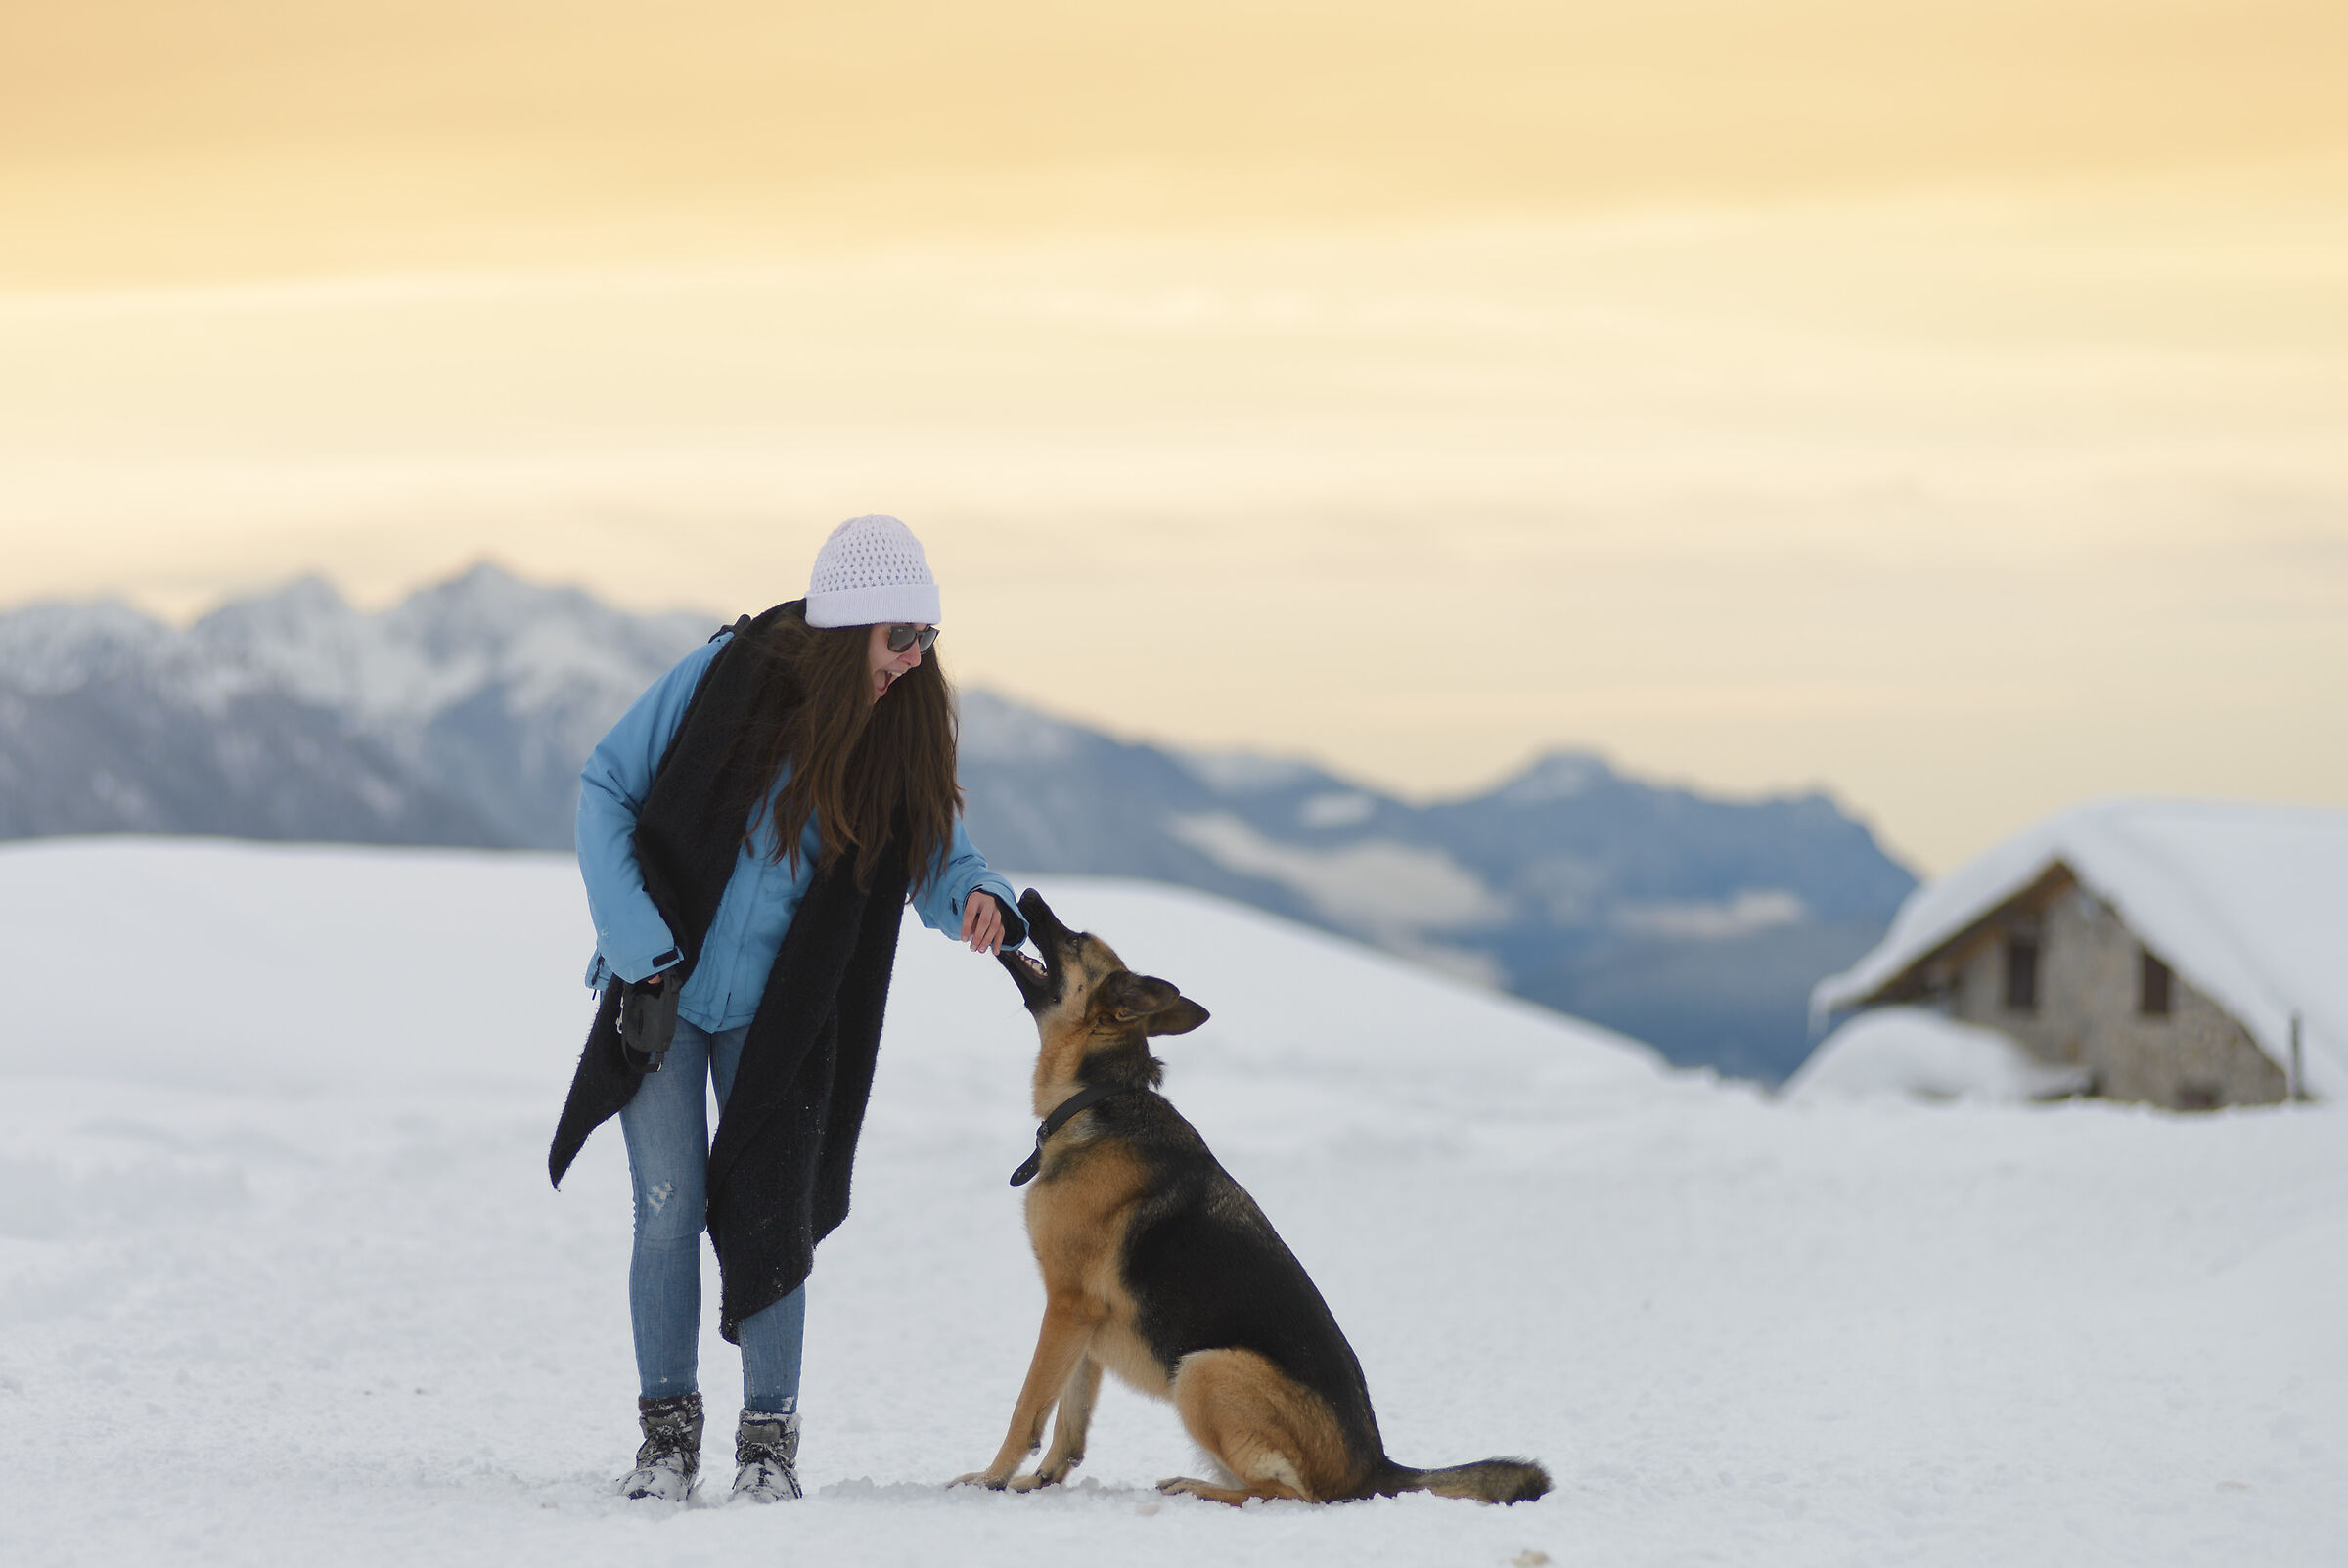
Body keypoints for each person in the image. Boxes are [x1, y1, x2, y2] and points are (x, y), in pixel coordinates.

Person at [548, 515, 1027, 1504]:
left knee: (774, 1216)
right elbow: (606, 786)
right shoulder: (727, 674)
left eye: (927, 638)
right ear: (847, 624)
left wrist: (982, 895)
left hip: (784, 1017)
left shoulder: (899, 728)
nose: (915, 658)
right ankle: (667, 1439)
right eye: (901, 637)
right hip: (663, 993)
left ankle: (769, 1447)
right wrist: (641, 951)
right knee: (667, 1211)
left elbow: (940, 851)